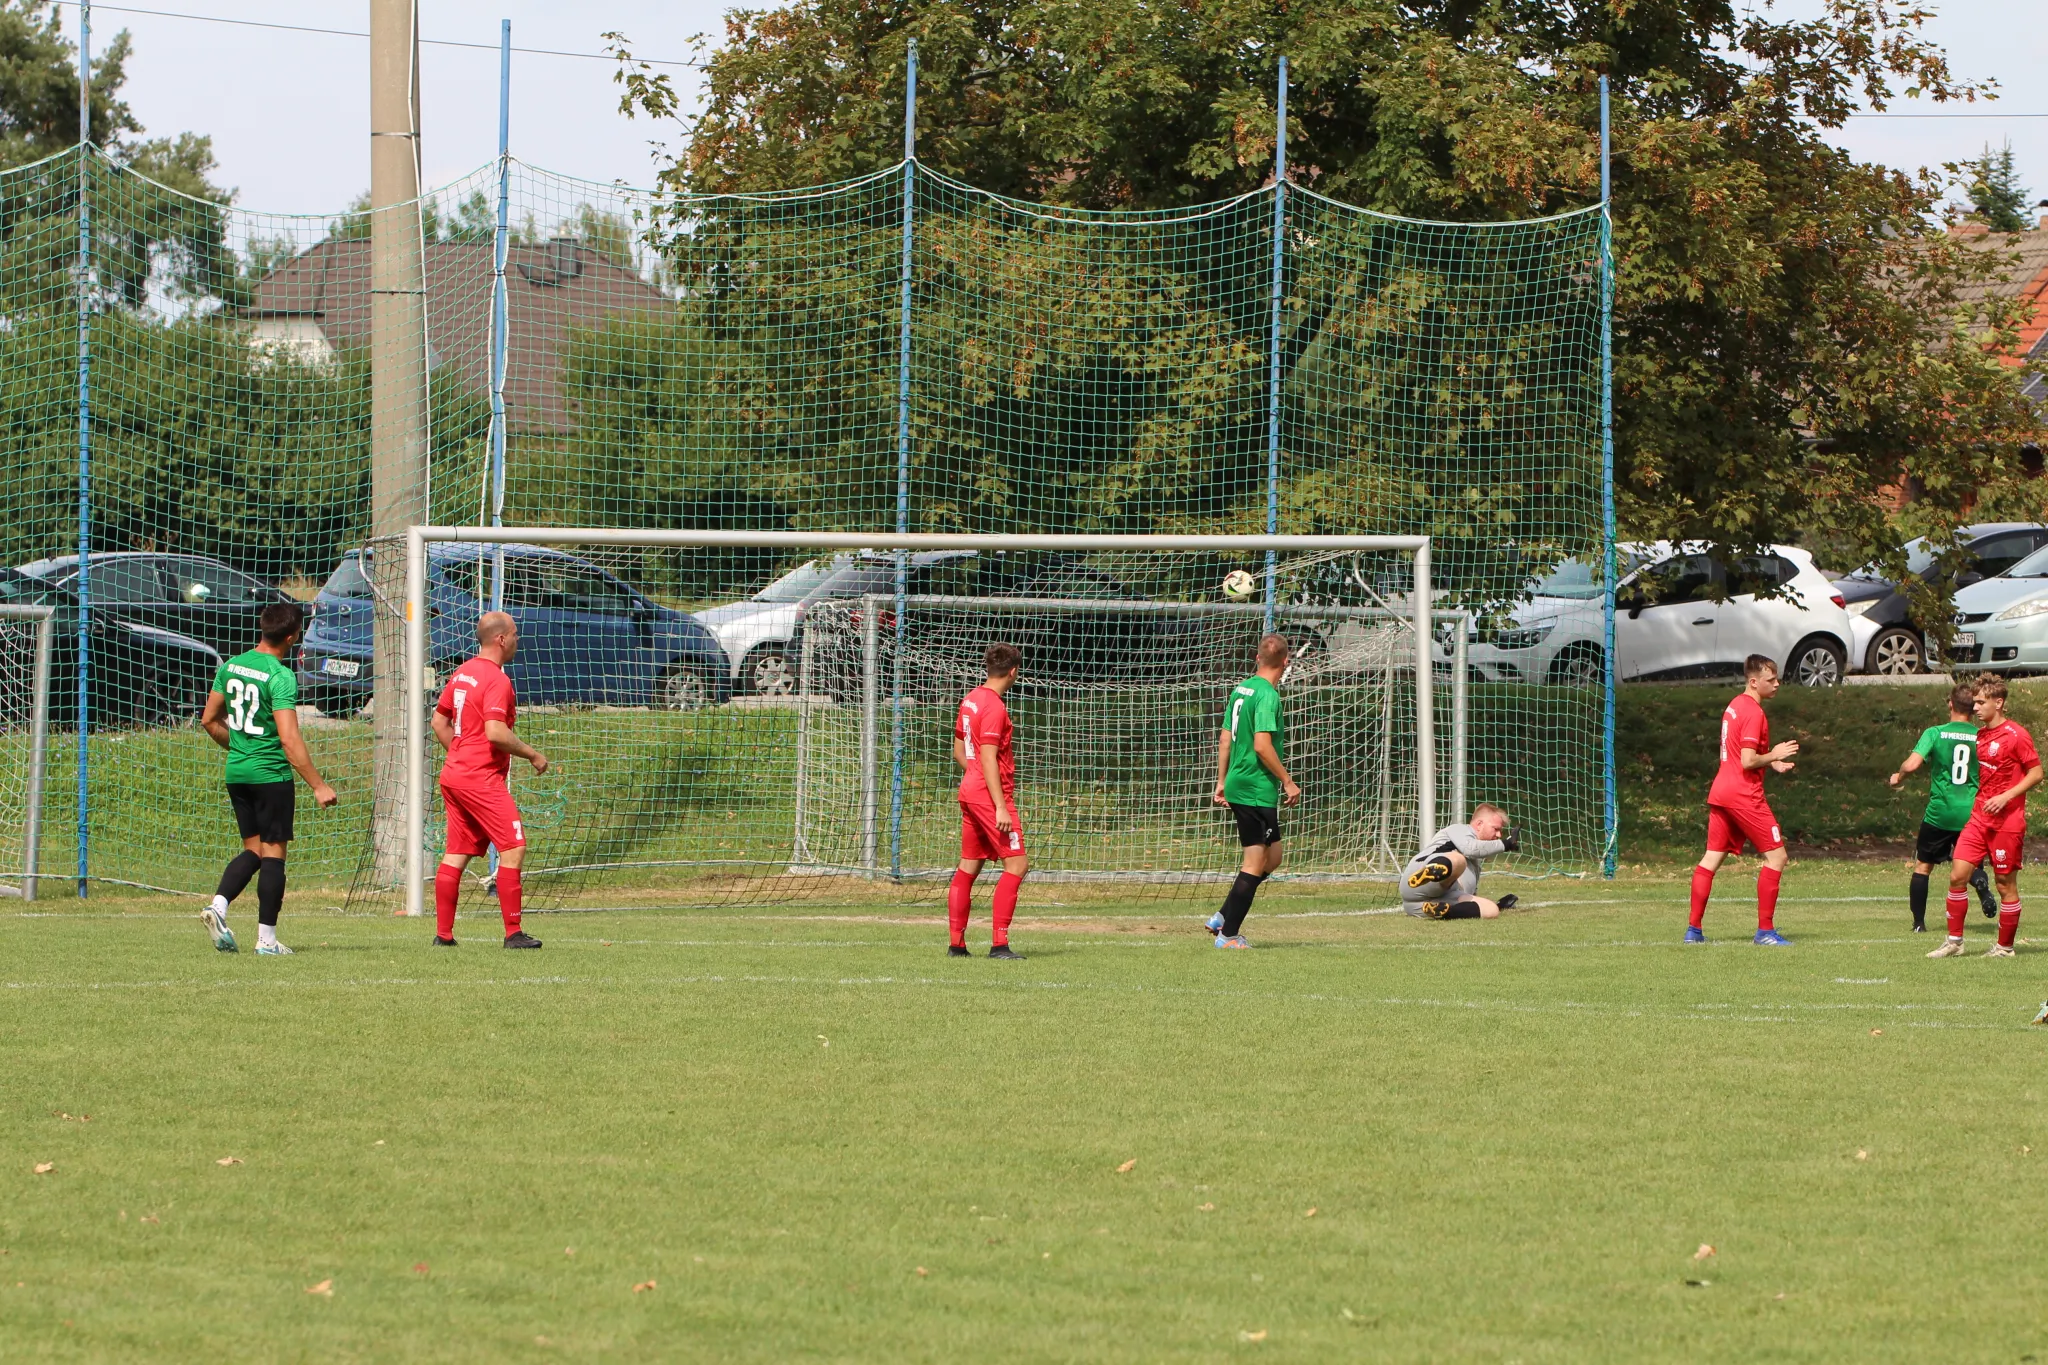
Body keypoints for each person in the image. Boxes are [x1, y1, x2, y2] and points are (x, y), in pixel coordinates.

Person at [198, 602, 338, 956]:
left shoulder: (232, 665)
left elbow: (209, 720)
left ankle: (218, 906)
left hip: (237, 772)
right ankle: (267, 941)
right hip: (270, 774)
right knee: (274, 855)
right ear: (292, 636)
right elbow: (289, 740)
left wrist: (242, 747)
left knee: (254, 850)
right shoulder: (280, 675)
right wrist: (318, 785)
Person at [431, 612, 549, 949]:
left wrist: (460, 754)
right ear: (501, 639)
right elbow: (495, 732)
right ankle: (513, 934)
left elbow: (438, 722)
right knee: (514, 847)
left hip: (455, 775)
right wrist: (532, 754)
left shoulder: (463, 672)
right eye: (514, 634)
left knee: (457, 852)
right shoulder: (497, 680)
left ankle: (444, 936)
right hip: (480, 779)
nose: (517, 640)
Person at [1688, 654, 1800, 946]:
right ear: (1753, 682)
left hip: (1722, 790)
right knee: (1777, 857)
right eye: (1770, 680)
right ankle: (1765, 932)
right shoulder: (1754, 712)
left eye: (1777, 678)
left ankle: (1693, 931)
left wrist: (1772, 763)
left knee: (1711, 858)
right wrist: (1774, 754)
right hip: (1743, 794)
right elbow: (1747, 761)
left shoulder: (1735, 705)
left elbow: (1739, 752)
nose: (1777, 684)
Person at [1930, 674, 2042, 959]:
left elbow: (2036, 773)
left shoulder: (2017, 735)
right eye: (1975, 702)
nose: (1975, 707)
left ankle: (2004, 948)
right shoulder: (1980, 736)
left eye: (1981, 702)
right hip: (1979, 819)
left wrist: (2006, 797)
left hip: (2008, 822)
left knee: (2005, 884)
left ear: (1998, 703)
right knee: (1957, 876)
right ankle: (1955, 942)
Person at [1206, 633, 1300, 949]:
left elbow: (1224, 738)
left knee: (1273, 858)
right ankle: (1229, 935)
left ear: (1258, 658)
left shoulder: (1242, 688)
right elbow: (1262, 745)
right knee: (1255, 862)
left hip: (1240, 783)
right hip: (1255, 789)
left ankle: (1222, 915)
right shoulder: (1267, 696)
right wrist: (1287, 780)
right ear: (1285, 662)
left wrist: (1222, 781)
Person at [1887, 683, 1996, 931]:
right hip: (1971, 813)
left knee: (1923, 866)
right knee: (1971, 864)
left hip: (1940, 813)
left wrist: (1898, 777)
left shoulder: (1935, 733)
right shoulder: (1982, 736)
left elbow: (1912, 764)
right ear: (1974, 708)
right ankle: (1980, 884)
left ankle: (1918, 924)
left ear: (1950, 704)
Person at [949, 642, 1028, 960]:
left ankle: (957, 945)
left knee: (969, 864)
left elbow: (959, 751)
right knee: (1017, 864)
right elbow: (988, 756)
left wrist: (975, 778)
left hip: (970, 790)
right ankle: (999, 945)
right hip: (988, 796)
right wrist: (999, 806)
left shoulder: (971, 699)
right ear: (1014, 672)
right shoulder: (994, 707)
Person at [1401, 804, 1522, 918]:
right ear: (1479, 824)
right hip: (1417, 882)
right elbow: (1471, 849)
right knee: (1458, 860)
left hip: (1419, 904)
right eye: (1496, 829)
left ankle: (1444, 911)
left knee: (1491, 910)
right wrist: (1506, 844)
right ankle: (1430, 874)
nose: (1499, 835)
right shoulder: (1460, 829)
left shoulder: (1476, 860)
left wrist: (1499, 905)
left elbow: (1470, 897)